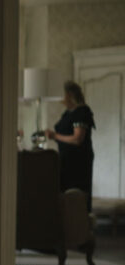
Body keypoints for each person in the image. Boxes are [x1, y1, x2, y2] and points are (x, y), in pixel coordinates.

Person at [45, 81, 95, 212]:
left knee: (77, 193)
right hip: (65, 159)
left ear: (69, 94)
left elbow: (77, 138)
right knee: (65, 192)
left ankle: (81, 225)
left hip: (78, 161)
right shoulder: (67, 113)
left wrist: (55, 136)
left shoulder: (82, 111)